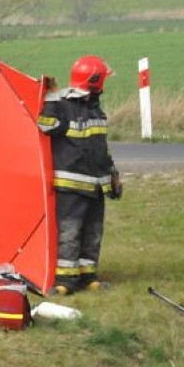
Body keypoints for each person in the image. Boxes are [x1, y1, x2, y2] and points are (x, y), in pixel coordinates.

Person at [37, 55, 122, 296]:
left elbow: (100, 148)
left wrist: (112, 176)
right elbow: (45, 124)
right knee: (70, 232)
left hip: (96, 186)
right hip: (72, 185)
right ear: (95, 80)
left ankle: (88, 276)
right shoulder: (64, 104)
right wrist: (51, 97)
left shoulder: (95, 108)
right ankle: (65, 281)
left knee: (93, 232)